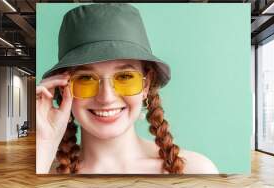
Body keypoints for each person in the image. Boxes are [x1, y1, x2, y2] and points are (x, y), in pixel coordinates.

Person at [36, 3, 218, 174]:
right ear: (62, 89)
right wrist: (44, 146)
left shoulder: (196, 171)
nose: (106, 97)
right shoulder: (44, 171)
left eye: (125, 77)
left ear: (146, 84)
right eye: (85, 78)